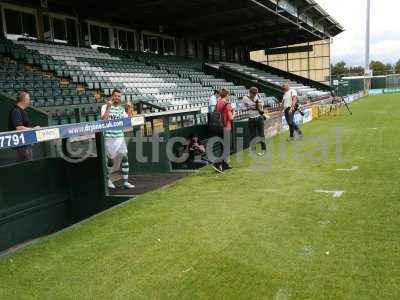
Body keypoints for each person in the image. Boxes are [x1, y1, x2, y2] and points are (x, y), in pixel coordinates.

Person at [101, 89, 135, 189]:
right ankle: (108, 180)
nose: (117, 98)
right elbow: (103, 121)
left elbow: (129, 121)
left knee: (125, 157)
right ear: (112, 96)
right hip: (109, 137)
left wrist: (129, 108)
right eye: (115, 96)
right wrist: (108, 107)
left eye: (119, 96)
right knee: (110, 161)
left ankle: (125, 182)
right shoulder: (105, 106)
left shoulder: (121, 109)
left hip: (120, 136)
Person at [8, 91, 39, 161]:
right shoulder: (16, 111)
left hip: (26, 145)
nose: (29, 101)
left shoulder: (22, 111)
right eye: (28, 99)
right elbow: (19, 128)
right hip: (21, 146)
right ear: (23, 100)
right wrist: (33, 129)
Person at [214, 89, 236, 172]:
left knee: (223, 147)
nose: (229, 96)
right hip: (226, 127)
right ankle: (218, 163)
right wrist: (234, 113)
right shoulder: (227, 104)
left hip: (219, 127)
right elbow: (231, 118)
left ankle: (224, 165)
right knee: (227, 148)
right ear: (226, 95)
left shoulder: (218, 103)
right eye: (228, 95)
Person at [242, 87, 267, 155]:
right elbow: (242, 108)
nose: (254, 95)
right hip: (251, 118)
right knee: (253, 135)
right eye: (253, 94)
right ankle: (254, 150)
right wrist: (249, 107)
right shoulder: (245, 98)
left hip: (259, 117)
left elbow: (263, 104)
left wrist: (258, 104)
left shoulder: (258, 96)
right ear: (250, 93)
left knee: (261, 134)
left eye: (255, 94)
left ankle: (264, 149)